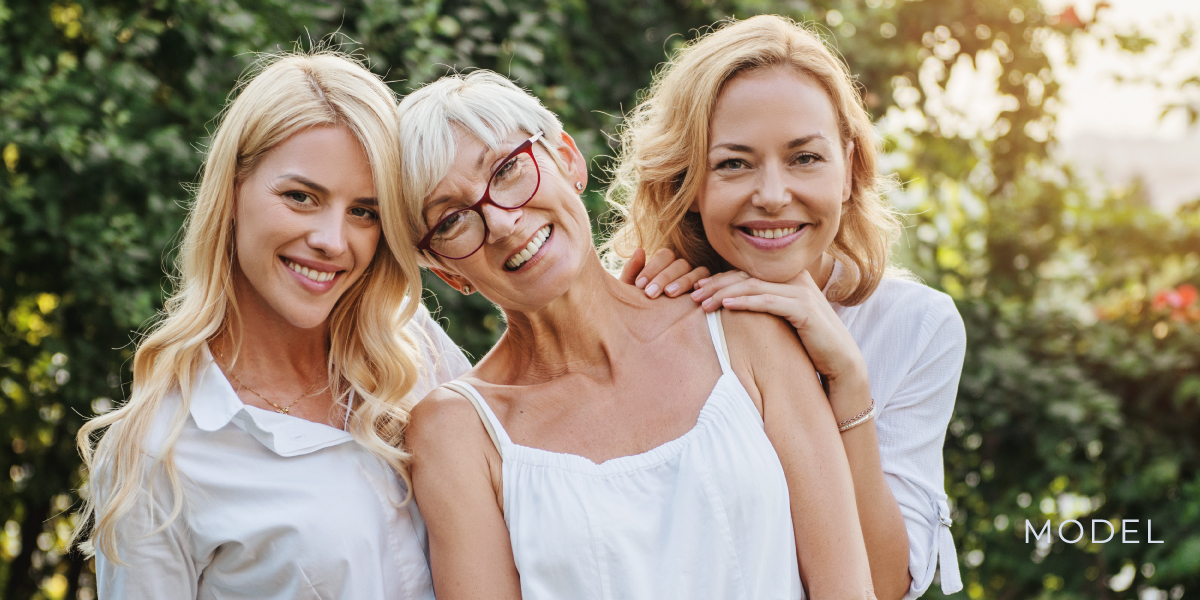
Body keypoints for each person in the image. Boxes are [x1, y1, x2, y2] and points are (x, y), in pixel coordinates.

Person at [397, 70, 877, 600]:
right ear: (446, 272)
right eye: (451, 221)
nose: (503, 222)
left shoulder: (743, 328)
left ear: (567, 159)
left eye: (508, 170)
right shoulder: (455, 433)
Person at [73, 51, 472, 599]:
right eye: (300, 197)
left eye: (364, 211)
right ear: (233, 191)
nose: (333, 240)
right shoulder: (157, 453)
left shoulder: (414, 348)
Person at [604, 15, 966, 600]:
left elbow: (882, 584)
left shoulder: (915, 327)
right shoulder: (646, 303)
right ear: (686, 182)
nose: (772, 196)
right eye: (733, 163)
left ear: (849, 167)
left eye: (804, 158)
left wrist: (848, 379)